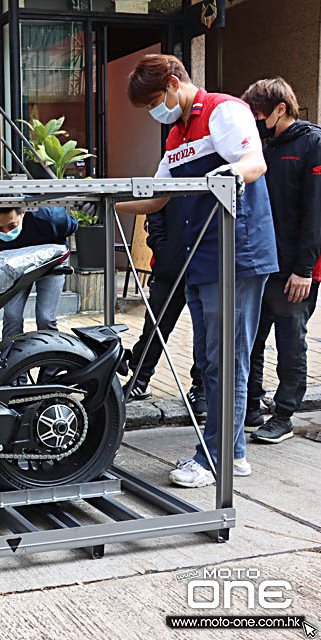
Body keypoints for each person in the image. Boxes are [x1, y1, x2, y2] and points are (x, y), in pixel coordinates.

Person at [115, 54, 278, 488]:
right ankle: (234, 452)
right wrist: (103, 201)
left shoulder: (224, 110)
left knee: (228, 358)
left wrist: (230, 174)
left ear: (172, 83)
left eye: (154, 100)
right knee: (210, 360)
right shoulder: (176, 134)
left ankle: (213, 458)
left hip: (237, 253)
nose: (155, 110)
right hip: (202, 258)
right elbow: (156, 196)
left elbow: (254, 163)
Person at [240, 78, 321, 444]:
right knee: (253, 338)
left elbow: (316, 212)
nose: (257, 118)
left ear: (281, 109)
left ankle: (285, 415)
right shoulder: (266, 147)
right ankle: (251, 408)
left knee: (291, 341)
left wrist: (304, 270)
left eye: (260, 111)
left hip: (296, 269)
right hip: (263, 263)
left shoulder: (313, 143)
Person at [124, 205, 206, 416]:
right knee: (156, 326)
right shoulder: (168, 171)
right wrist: (162, 249)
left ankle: (201, 387)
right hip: (171, 264)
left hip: (205, 263)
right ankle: (140, 379)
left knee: (205, 331)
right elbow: (155, 208)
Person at [0, 203, 77, 340]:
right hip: (15, 262)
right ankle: (10, 356)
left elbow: (73, 226)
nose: (6, 232)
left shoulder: (51, 218)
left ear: (23, 213)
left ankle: (52, 354)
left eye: (12, 226)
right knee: (12, 315)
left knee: (45, 317)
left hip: (50, 260)